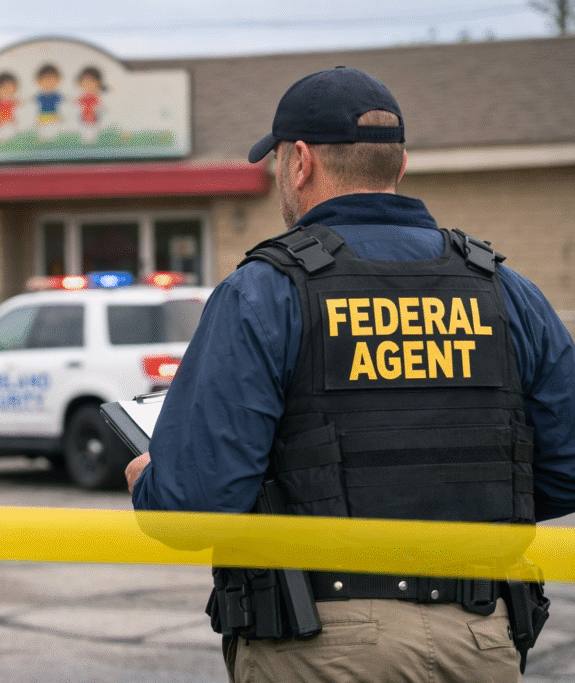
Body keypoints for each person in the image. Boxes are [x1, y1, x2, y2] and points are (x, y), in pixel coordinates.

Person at [126, 66, 575, 682]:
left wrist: (149, 479)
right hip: (480, 640)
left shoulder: (265, 291)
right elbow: (567, 466)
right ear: (401, 162)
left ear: (301, 161)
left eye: (279, 160)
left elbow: (194, 504)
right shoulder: (502, 288)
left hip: (321, 643)